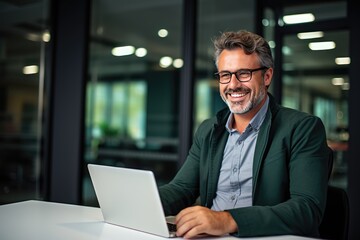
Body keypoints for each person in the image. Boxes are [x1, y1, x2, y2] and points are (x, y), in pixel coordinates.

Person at [158, 30, 331, 238]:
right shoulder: (208, 130)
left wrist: (228, 219)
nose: (233, 85)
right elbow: (181, 189)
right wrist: (139, 202)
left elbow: (307, 209)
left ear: (267, 76)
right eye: (225, 75)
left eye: (243, 74)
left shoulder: (303, 128)